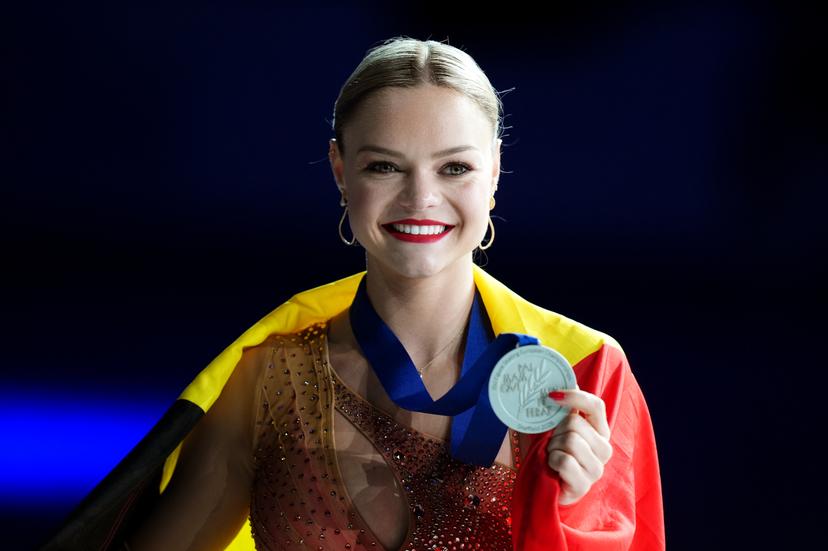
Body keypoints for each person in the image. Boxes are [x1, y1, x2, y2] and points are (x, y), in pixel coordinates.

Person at [41, 36, 665, 551]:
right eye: (384, 166)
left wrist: (577, 514)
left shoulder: (582, 377)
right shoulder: (269, 376)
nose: (421, 199)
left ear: (495, 172)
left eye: (455, 168)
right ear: (340, 171)